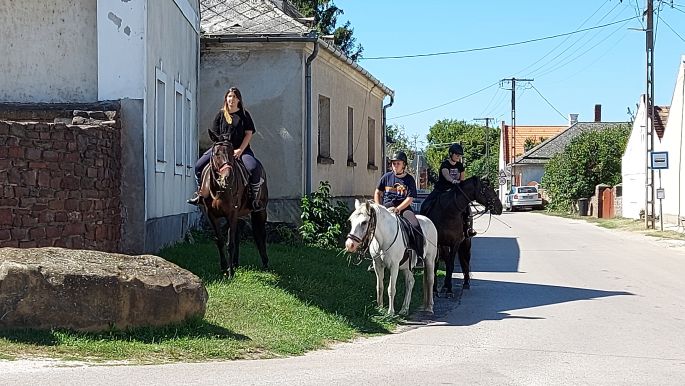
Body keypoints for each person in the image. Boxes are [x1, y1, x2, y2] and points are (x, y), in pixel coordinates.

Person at [188, 87, 264, 211]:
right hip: (221, 151)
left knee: (253, 167)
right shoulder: (220, 115)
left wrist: (240, 150)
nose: (232, 99)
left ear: (239, 99)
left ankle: (254, 199)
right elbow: (215, 135)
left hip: (240, 149)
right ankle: (200, 194)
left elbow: (249, 133)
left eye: (234, 97)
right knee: (198, 166)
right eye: (229, 96)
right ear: (226, 99)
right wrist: (220, 150)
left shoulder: (244, 115)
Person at [374, 151, 424, 269]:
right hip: (386, 208)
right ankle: (374, 257)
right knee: (373, 226)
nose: (395, 166)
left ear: (404, 165)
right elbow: (377, 192)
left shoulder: (409, 180)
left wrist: (398, 209)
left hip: (403, 208)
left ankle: (419, 256)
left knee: (415, 226)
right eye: (393, 163)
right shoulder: (386, 177)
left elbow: (410, 198)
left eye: (398, 163)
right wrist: (378, 207)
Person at [421, 143, 476, 237]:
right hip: (442, 189)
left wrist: (460, 183)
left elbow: (462, 178)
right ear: (451, 154)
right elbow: (446, 176)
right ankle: (423, 225)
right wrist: (453, 180)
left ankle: (468, 228)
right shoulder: (445, 164)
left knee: (467, 208)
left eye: (459, 155)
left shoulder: (460, 166)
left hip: (455, 190)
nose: (458, 156)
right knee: (426, 204)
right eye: (456, 154)